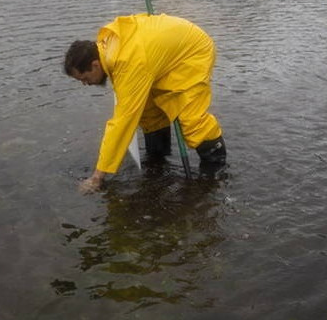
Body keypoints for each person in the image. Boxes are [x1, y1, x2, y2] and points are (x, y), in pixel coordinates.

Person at [64, 13, 226, 193]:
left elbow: (122, 123)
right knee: (149, 113)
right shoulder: (109, 46)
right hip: (158, 58)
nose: (85, 84)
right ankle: (157, 161)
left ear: (95, 65)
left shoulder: (127, 62)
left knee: (192, 121)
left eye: (84, 78)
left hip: (191, 53)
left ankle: (215, 174)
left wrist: (97, 177)